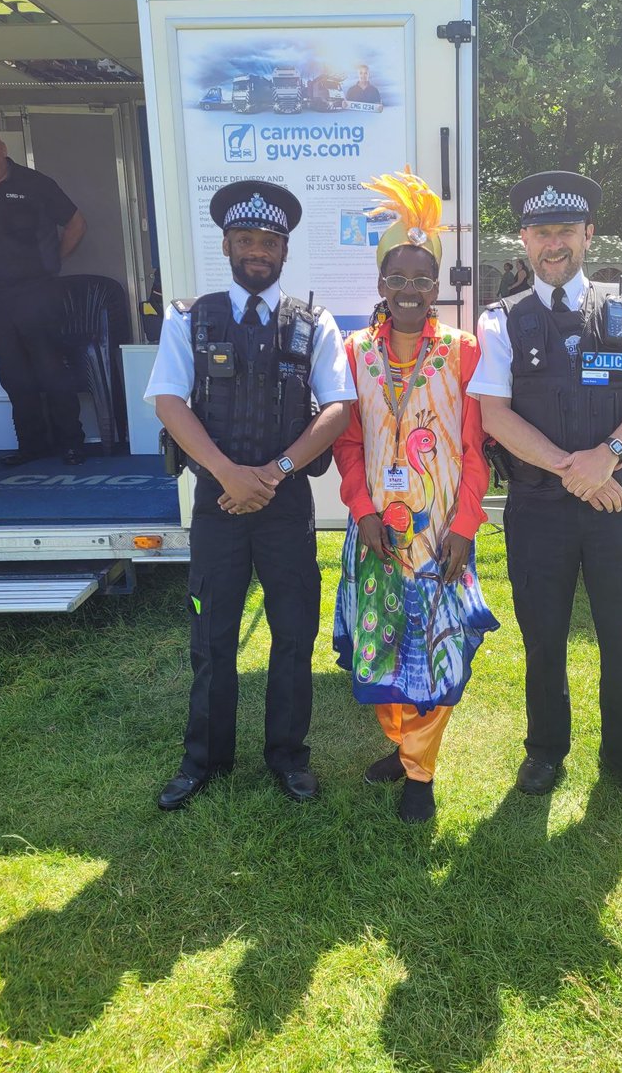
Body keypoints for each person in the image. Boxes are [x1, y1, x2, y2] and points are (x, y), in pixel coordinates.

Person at [147, 180, 355, 811]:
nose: (257, 251)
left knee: (293, 634)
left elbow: (340, 408)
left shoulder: (313, 323)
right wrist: (225, 474)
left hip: (285, 502)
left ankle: (288, 756)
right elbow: (169, 401)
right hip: (217, 503)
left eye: (269, 242)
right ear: (228, 245)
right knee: (212, 638)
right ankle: (203, 758)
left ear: (284, 250)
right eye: (246, 240)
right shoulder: (191, 317)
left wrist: (273, 472)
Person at [470, 171, 622, 810]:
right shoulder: (501, 319)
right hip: (539, 509)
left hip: (615, 505)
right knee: (543, 637)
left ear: (588, 234)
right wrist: (574, 469)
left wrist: (607, 458)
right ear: (524, 240)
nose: (552, 244)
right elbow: (494, 414)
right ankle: (545, 751)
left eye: (565, 230)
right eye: (540, 232)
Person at [333, 170, 498, 822]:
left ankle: (421, 773)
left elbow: (478, 450)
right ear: (381, 284)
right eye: (397, 277)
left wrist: (465, 526)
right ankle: (402, 746)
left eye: (421, 278)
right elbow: (348, 445)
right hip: (374, 535)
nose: (409, 289)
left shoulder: (462, 353)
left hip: (440, 538)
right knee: (378, 646)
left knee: (434, 653)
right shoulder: (355, 353)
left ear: (438, 286)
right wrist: (364, 511)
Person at [0, 127, 87, 465]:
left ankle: (72, 443)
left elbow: (76, 221)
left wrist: (56, 260)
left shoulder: (35, 184)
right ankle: (32, 445)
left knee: (51, 371)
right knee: (14, 375)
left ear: (2, 148)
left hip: (37, 292)